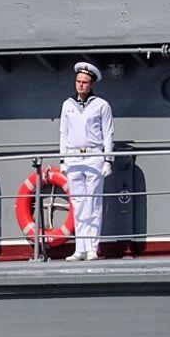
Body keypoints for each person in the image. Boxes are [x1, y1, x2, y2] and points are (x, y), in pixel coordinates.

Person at [60, 60, 115, 260]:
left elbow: (108, 133)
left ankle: (92, 247)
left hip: (94, 156)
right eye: (78, 81)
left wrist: (108, 160)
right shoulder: (67, 105)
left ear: (91, 84)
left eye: (84, 82)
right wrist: (63, 160)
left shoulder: (101, 105)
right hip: (73, 157)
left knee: (93, 202)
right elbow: (63, 133)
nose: (80, 85)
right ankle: (80, 248)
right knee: (78, 204)